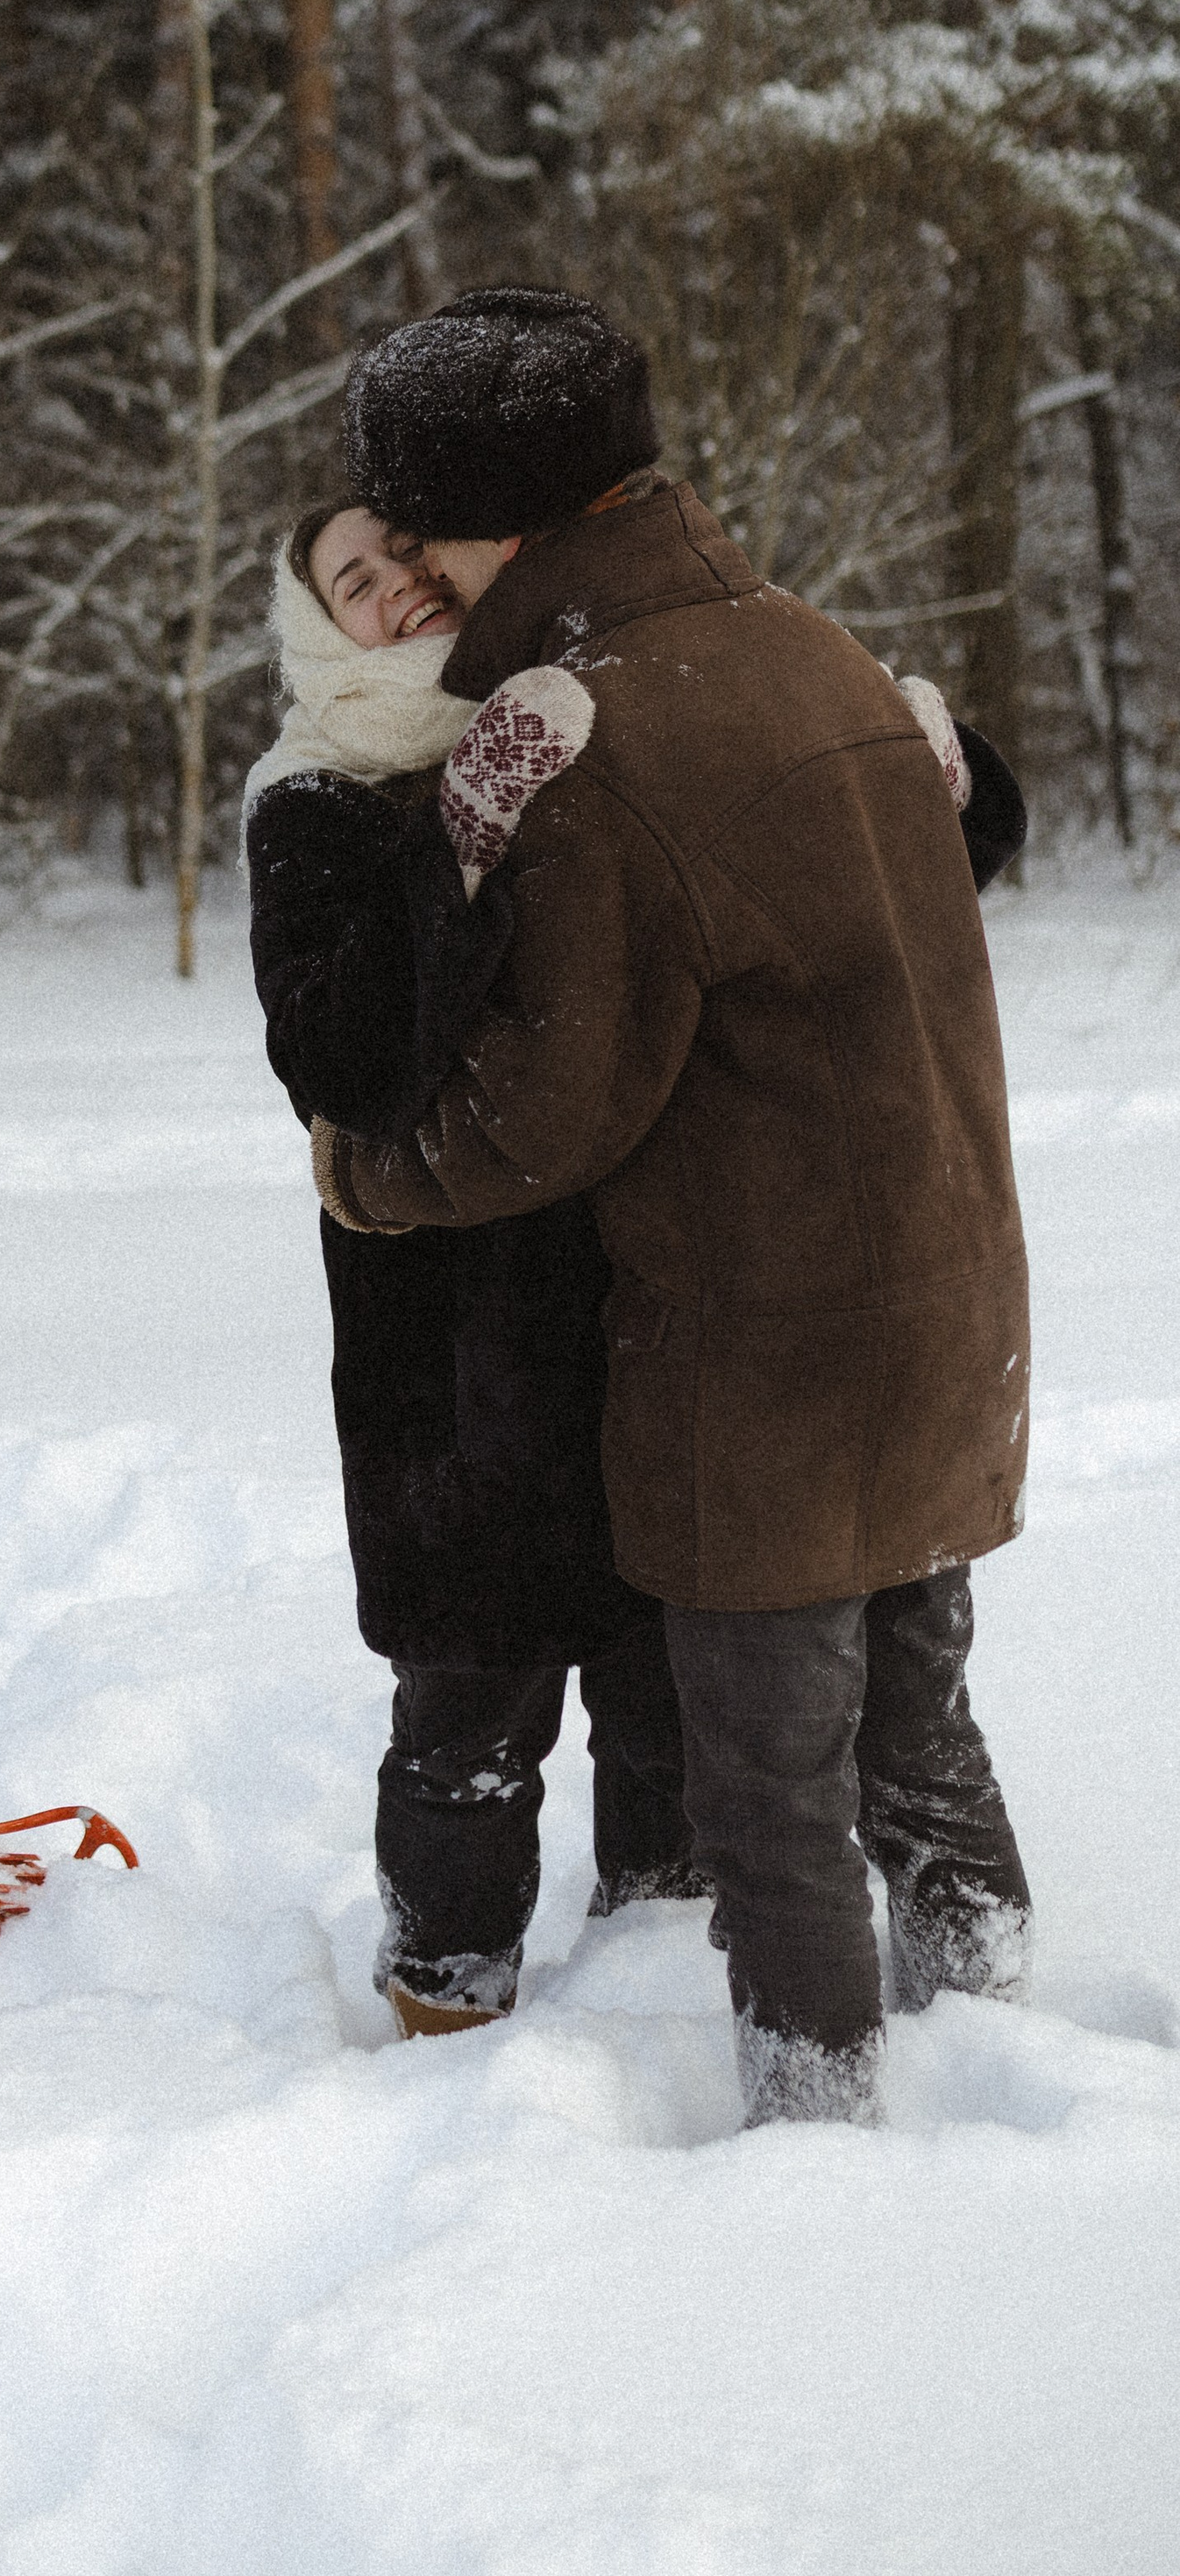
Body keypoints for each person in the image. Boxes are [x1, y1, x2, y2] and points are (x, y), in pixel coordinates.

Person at [313, 283, 1032, 2123]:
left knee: (769, 1802)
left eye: (417, 529)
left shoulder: (596, 728)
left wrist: (367, 1172)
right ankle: (1004, 2020)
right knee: (919, 1739)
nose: (408, 568)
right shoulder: (800, 643)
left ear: (497, 517)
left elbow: (550, 1107)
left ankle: (814, 2140)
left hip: (765, 1353)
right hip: (943, 1305)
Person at [245, 497, 702, 2038]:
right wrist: (462, 833)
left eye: (403, 557)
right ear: (321, 627)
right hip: (442, 1357)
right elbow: (345, 1058)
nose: (392, 592)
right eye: (351, 584)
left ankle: (658, 1984)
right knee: (468, 1715)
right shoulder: (311, 802)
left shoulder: (582, 711)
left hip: (637, 1310)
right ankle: (446, 2013)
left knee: (665, 1700)